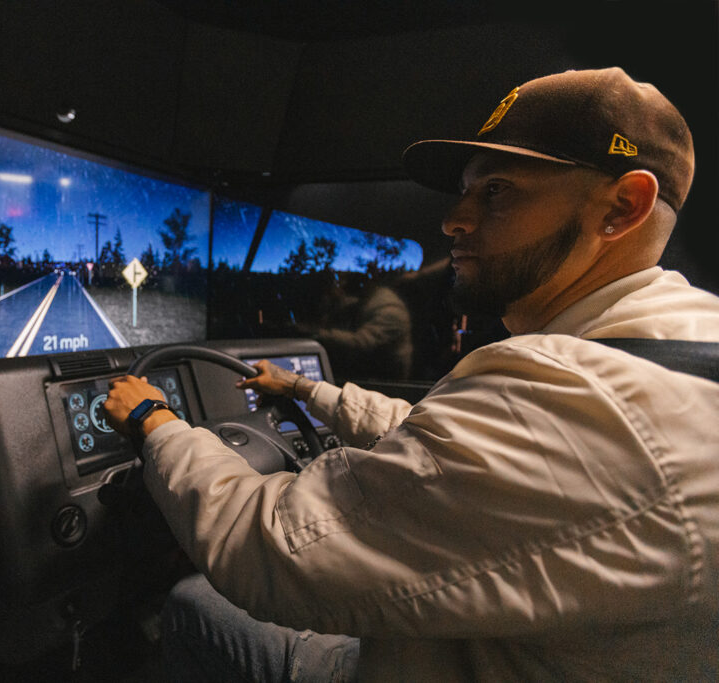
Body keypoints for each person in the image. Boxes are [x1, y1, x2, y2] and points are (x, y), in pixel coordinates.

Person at [104, 67, 719, 681]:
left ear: (622, 207)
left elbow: (274, 547)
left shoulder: (570, 391)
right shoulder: (672, 345)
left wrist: (154, 421)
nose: (454, 219)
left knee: (194, 604)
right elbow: (446, 440)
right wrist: (303, 389)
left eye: (497, 191)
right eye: (466, 191)